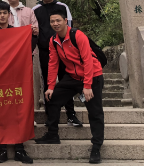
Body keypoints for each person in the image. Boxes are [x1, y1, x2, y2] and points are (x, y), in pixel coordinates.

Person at [35, 10, 104, 164]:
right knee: (52, 98)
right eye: (52, 21)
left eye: (58, 20)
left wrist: (87, 85)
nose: (55, 24)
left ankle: (96, 146)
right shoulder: (53, 40)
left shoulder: (77, 35)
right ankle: (52, 134)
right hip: (72, 76)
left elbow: (87, 60)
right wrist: (50, 86)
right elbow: (53, 63)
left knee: (95, 112)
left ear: (65, 21)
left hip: (92, 76)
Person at [32, 0, 82, 128]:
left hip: (64, 51)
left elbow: (70, 27)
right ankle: (50, 116)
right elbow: (34, 30)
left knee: (67, 81)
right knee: (48, 83)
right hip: (45, 52)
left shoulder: (63, 7)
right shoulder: (36, 10)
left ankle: (71, 115)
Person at [0, 1, 36, 164]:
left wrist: (34, 35)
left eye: (5, 13)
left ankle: (19, 149)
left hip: (16, 79)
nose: (2, 16)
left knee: (18, 113)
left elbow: (28, 49)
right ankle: (2, 149)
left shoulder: (18, 33)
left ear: (9, 15)